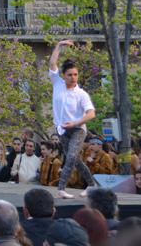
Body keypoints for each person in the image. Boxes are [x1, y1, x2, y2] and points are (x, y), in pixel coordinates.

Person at [49, 40, 97, 198]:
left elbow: (91, 114)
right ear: (64, 75)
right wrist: (59, 45)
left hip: (77, 129)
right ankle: (92, 184)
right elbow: (52, 63)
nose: (73, 78)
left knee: (69, 157)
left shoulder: (81, 94)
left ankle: (61, 188)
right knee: (75, 159)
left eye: (75, 74)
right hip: (62, 129)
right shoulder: (57, 83)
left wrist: (76, 123)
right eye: (70, 75)